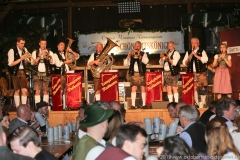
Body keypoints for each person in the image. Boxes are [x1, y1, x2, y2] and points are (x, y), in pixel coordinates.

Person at [53, 41, 80, 108]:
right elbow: (58, 64)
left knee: (67, 90)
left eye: (63, 45)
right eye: (61, 45)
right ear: (58, 46)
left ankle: (66, 106)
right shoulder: (55, 54)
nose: (63, 46)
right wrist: (66, 62)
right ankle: (60, 106)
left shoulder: (67, 54)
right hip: (61, 74)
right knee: (61, 90)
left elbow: (77, 57)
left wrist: (71, 51)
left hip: (68, 74)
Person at [183, 37, 208, 106]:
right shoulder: (188, 52)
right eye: (192, 43)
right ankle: (196, 103)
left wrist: (196, 55)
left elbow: (205, 60)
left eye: (195, 43)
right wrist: (188, 58)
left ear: (198, 44)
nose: (194, 44)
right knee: (194, 88)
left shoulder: (202, 51)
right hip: (192, 73)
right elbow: (184, 63)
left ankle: (203, 103)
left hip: (201, 72)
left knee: (203, 87)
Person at [124, 41, 149, 109]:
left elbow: (146, 61)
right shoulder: (131, 54)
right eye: (136, 46)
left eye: (138, 46)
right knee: (133, 88)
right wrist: (128, 56)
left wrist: (140, 56)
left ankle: (144, 105)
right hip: (134, 73)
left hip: (141, 73)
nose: (137, 48)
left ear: (140, 47)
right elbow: (125, 64)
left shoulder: (143, 54)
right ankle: (133, 105)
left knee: (143, 88)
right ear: (133, 47)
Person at [8, 37, 31, 107]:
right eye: (21, 43)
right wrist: (21, 58)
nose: (23, 45)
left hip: (23, 71)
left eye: (24, 43)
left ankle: (23, 107)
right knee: (17, 90)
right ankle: (18, 107)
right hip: (15, 72)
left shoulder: (24, 50)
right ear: (17, 43)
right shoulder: (12, 50)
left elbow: (25, 63)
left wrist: (27, 59)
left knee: (25, 90)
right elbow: (11, 63)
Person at [31, 39, 55, 104]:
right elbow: (32, 63)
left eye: (45, 44)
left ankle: (45, 106)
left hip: (46, 74)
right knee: (37, 91)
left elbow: (52, 63)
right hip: (37, 73)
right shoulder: (35, 52)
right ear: (39, 44)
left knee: (46, 91)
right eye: (42, 44)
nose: (43, 45)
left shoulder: (50, 52)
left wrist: (48, 56)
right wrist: (39, 57)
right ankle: (37, 106)